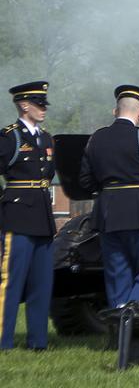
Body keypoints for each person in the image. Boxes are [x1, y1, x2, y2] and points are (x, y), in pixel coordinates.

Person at [79, 85, 139, 308]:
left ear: (115, 111)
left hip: (107, 216)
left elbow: (85, 180)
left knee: (117, 276)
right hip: (138, 212)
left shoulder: (96, 138)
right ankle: (132, 315)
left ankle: (119, 330)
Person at [0, 81, 56, 350]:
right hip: (18, 216)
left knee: (41, 284)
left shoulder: (46, 138)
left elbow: (48, 176)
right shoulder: (9, 137)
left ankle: (38, 342)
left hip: (43, 218)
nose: (43, 109)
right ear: (24, 105)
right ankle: (4, 341)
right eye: (38, 104)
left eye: (44, 104)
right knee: (10, 283)